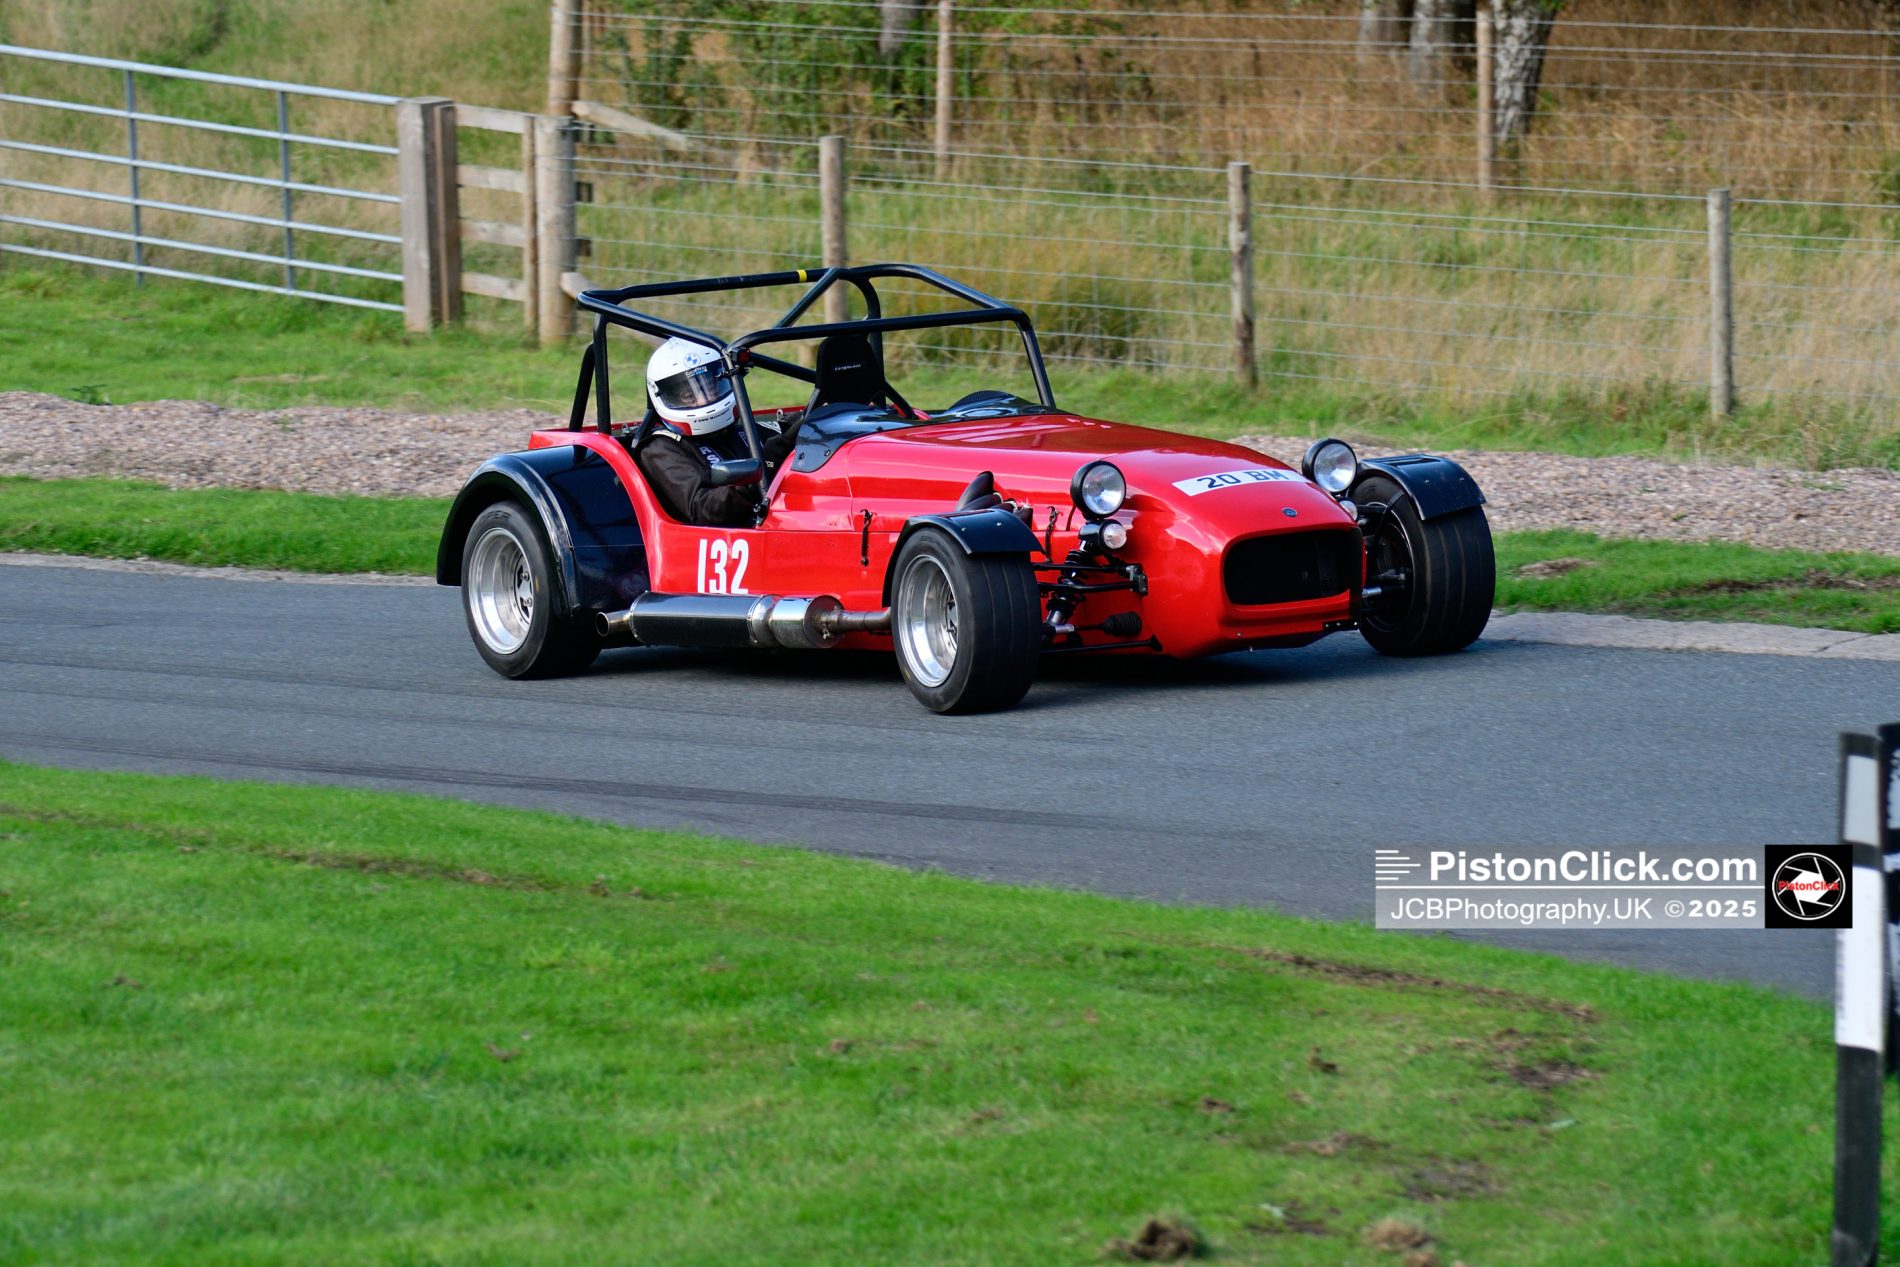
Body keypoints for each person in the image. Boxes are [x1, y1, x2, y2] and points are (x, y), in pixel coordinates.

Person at [632, 337, 798, 527]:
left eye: (711, 387)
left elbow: (784, 439)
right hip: (709, 545)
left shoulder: (738, 430)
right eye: (689, 396)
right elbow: (703, 508)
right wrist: (756, 478)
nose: (704, 400)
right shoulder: (659, 449)